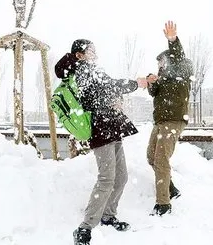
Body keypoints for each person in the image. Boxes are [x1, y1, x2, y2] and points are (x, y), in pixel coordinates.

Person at [54, 39, 153, 245]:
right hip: (101, 129)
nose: (95, 52)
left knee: (122, 176)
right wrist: (136, 83)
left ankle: (108, 215)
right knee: (107, 178)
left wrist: (116, 98)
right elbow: (108, 86)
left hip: (112, 127)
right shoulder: (81, 70)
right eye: (90, 50)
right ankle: (85, 227)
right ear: (80, 54)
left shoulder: (92, 69)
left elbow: (108, 89)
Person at [146, 21, 194, 216]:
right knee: (151, 156)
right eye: (158, 64)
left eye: (161, 62)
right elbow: (154, 92)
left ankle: (163, 204)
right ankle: (170, 188)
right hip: (160, 122)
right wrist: (151, 81)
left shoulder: (181, 70)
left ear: (170, 60)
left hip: (174, 121)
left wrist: (172, 40)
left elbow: (179, 55)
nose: (160, 66)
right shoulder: (163, 78)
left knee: (161, 159)